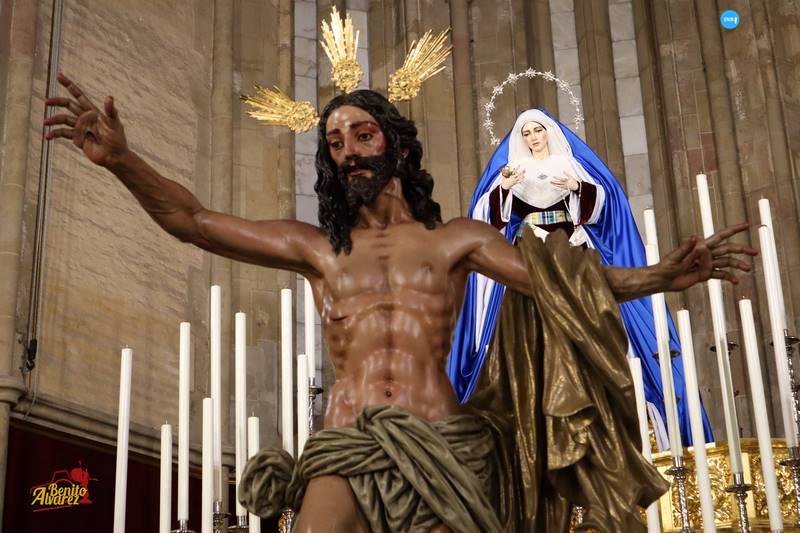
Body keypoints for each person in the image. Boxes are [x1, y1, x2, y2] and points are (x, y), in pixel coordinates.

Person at [45, 74, 754, 532]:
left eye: (363, 134)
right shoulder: (317, 248)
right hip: (346, 443)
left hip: (442, 442)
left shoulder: (457, 241)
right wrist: (124, 161)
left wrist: (660, 276)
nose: (349, 151)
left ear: (400, 150)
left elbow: (566, 284)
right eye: (335, 143)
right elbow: (194, 221)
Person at [449, 109, 713, 450]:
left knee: (587, 311)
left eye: (537, 130)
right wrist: (505, 189)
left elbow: (604, 203)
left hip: (572, 250)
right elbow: (488, 217)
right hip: (529, 256)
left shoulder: (569, 165)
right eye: (526, 133)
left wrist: (577, 187)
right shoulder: (513, 171)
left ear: (548, 132)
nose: (533, 137)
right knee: (527, 317)